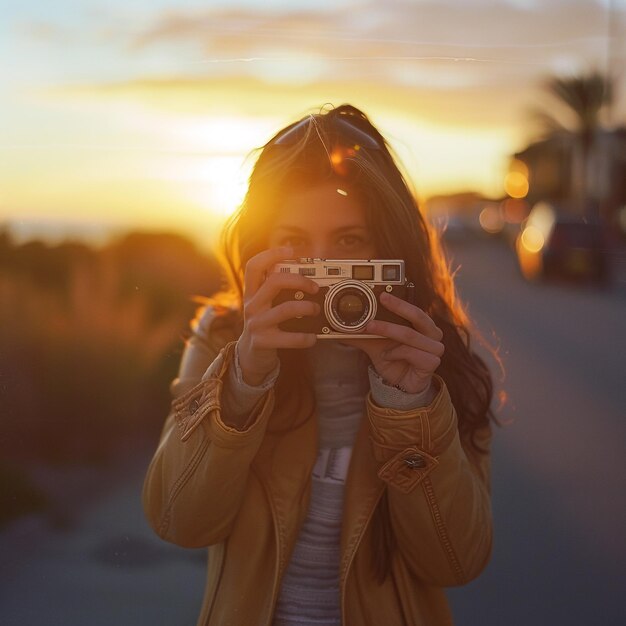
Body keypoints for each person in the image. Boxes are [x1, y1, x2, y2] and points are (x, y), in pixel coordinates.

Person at [143, 104, 496, 626]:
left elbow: (455, 562)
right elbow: (179, 522)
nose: (322, 271)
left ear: (389, 247)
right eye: (294, 243)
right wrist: (244, 379)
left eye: (349, 242)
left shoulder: (434, 356)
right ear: (262, 246)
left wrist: (408, 406)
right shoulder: (225, 335)